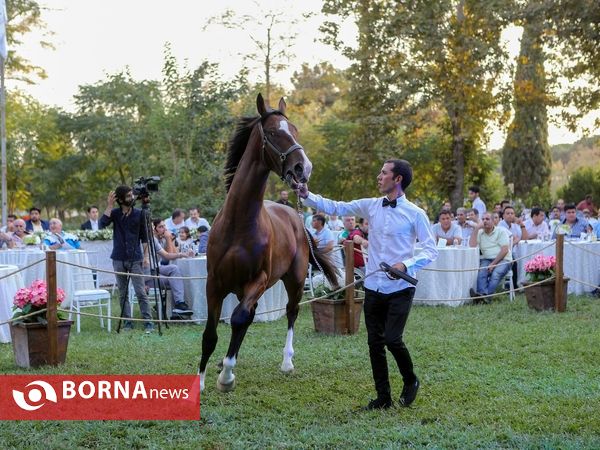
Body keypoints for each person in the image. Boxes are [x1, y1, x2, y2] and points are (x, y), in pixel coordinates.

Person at [297, 158, 438, 410]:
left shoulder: (416, 213)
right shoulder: (371, 206)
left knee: (393, 339)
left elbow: (430, 250)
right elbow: (337, 207)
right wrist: (308, 196)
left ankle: (411, 380)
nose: (378, 176)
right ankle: (382, 397)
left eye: (383, 173)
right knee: (375, 343)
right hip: (373, 286)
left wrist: (406, 265)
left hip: (400, 289)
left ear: (398, 179)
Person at [99, 186, 154, 333]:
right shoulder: (115, 214)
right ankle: (127, 322)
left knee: (140, 291)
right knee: (123, 293)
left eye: (132, 195)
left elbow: (145, 237)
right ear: (121, 199)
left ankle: (148, 322)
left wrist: (146, 256)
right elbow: (102, 224)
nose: (132, 198)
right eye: (128, 196)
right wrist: (109, 205)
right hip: (118, 258)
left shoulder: (139, 214)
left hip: (135, 258)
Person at [149, 219, 193, 316]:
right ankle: (176, 308)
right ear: (154, 229)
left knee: (174, 270)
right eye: (161, 227)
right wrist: (169, 238)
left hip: (156, 268)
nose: (164, 229)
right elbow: (168, 255)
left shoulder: (161, 239)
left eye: (164, 226)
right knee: (175, 280)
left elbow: (171, 254)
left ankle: (178, 305)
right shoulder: (151, 240)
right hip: (147, 273)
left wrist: (170, 240)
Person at [469, 212, 511, 302]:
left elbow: (505, 250)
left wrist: (493, 264)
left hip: (503, 259)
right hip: (486, 259)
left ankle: (485, 297)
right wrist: (476, 228)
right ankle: (482, 295)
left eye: (487, 219)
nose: (484, 221)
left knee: (496, 274)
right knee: (481, 273)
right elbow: (472, 246)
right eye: (483, 219)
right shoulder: (480, 232)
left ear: (493, 221)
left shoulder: (501, 231)